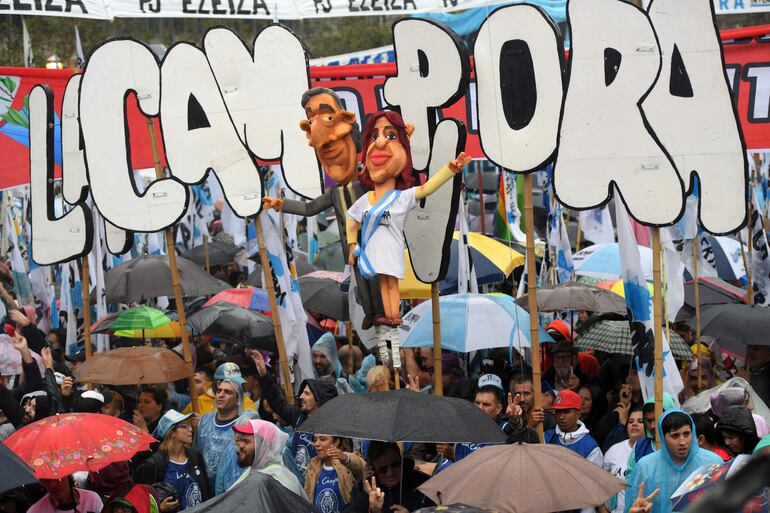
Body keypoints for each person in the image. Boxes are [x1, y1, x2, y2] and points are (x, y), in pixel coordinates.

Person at [346, 110, 470, 365]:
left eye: (390, 136)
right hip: (372, 252)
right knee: (383, 284)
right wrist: (351, 244)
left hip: (392, 248)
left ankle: (393, 321)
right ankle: (388, 332)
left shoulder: (402, 198)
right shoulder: (364, 200)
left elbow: (427, 188)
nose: (380, 143)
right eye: (375, 136)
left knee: (392, 285)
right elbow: (352, 219)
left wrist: (450, 169)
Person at [262, 87, 385, 331]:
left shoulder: (366, 181)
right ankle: (371, 312)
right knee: (361, 281)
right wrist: (282, 205)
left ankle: (381, 310)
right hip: (351, 249)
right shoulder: (335, 192)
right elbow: (310, 208)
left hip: (373, 243)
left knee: (375, 279)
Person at [251, 349, 337, 477]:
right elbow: (278, 403)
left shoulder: (333, 428)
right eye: (302, 392)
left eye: (307, 394)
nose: (301, 396)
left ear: (319, 399)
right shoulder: (299, 416)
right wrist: (264, 375)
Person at [625, 410, 723, 513]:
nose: (682, 442)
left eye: (686, 434)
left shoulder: (713, 462)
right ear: (663, 437)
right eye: (675, 436)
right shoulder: (645, 467)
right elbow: (633, 506)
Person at [135, 410, 209, 511]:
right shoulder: (152, 464)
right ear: (172, 432)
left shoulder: (195, 454)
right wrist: (159, 509)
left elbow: (206, 491)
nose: (191, 429)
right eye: (184, 426)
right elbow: (141, 502)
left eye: (190, 425)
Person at [194, 375, 248, 495]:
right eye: (219, 391)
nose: (221, 395)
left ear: (237, 399)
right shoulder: (203, 422)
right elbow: (195, 455)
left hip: (232, 492)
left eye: (227, 392)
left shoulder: (244, 426)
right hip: (205, 493)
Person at [343, 442, 432, 513]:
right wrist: (366, 495)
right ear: (373, 469)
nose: (390, 473)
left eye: (395, 465)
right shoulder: (361, 488)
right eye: (383, 469)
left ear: (401, 461)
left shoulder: (422, 483)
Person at [231, 418, 306, 498]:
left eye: (246, 441)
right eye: (240, 441)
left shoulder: (281, 479)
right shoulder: (252, 470)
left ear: (263, 445)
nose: (241, 446)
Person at [304, 435, 365, 513]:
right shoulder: (313, 465)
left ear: (336, 442)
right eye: (315, 440)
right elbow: (306, 497)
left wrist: (345, 458)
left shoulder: (347, 463)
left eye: (322, 439)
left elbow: (363, 467)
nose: (317, 444)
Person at [544, 389, 603, 466]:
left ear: (578, 414)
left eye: (566, 412)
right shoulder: (547, 436)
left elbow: (594, 477)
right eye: (558, 412)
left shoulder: (591, 448)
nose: (561, 417)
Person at [603, 407, 645, 513]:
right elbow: (600, 483)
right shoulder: (614, 450)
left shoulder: (654, 450)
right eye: (631, 421)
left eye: (640, 421)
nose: (634, 424)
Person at [182, 363, 257, 415]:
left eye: (237, 382)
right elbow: (181, 426)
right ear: (218, 383)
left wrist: (204, 421)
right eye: (231, 382)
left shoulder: (246, 402)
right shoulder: (199, 402)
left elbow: (252, 427)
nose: (236, 386)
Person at [28, 476, 103, 513]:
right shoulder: (35, 511)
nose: (53, 485)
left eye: (58, 478)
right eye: (47, 481)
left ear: (68, 476)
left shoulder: (92, 499)